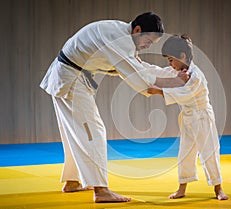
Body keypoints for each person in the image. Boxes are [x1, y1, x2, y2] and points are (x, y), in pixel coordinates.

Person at [40, 12, 189, 203]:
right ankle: (101, 190)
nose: (148, 46)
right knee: (93, 131)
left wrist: (169, 74)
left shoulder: (124, 35)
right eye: (148, 41)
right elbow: (140, 78)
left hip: (69, 76)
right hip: (71, 79)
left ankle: (72, 181)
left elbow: (140, 68)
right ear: (137, 30)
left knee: (76, 133)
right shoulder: (120, 40)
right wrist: (174, 83)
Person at [146, 34, 228, 200]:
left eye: (171, 60)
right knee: (185, 153)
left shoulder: (196, 75)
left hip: (202, 117)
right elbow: (160, 71)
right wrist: (141, 65)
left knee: (209, 152)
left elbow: (184, 94)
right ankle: (182, 188)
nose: (170, 64)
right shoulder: (178, 71)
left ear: (182, 56)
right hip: (188, 118)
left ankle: (218, 188)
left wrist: (159, 91)